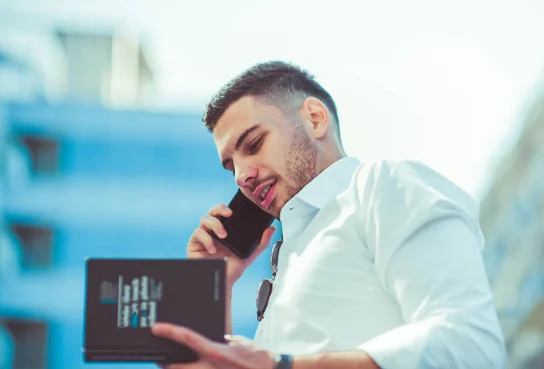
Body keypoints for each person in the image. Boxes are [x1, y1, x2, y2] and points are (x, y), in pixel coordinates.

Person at [152, 61, 506, 368]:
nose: (242, 175)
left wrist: (281, 367)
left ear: (315, 118)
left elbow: (471, 346)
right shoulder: (288, 256)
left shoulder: (382, 185)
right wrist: (213, 286)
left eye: (254, 144)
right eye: (231, 166)